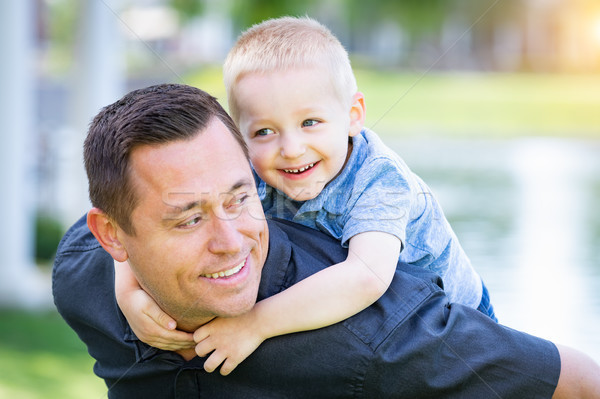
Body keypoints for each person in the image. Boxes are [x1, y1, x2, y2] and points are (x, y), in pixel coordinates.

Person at [53, 83, 600, 398]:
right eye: (187, 219)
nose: (230, 242)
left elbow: (580, 383)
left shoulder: (378, 335)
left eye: (241, 198)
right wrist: (127, 292)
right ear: (114, 237)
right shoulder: (83, 275)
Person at [116, 16, 494, 375]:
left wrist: (255, 324)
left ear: (353, 114)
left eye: (310, 123)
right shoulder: (250, 168)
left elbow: (365, 276)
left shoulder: (380, 178)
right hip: (369, 314)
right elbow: (131, 217)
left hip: (461, 319)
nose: (292, 149)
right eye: (264, 131)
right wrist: (129, 295)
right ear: (240, 135)